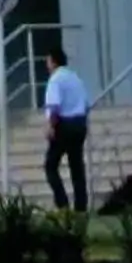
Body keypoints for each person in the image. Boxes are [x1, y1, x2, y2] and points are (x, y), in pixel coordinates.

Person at [39, 45, 91, 211]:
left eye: (48, 61)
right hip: (79, 123)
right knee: (77, 167)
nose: (47, 65)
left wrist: (50, 126)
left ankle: (62, 204)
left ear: (53, 62)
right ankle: (81, 206)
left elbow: (54, 106)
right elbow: (86, 104)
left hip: (64, 125)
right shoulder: (75, 77)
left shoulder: (55, 79)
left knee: (50, 165)